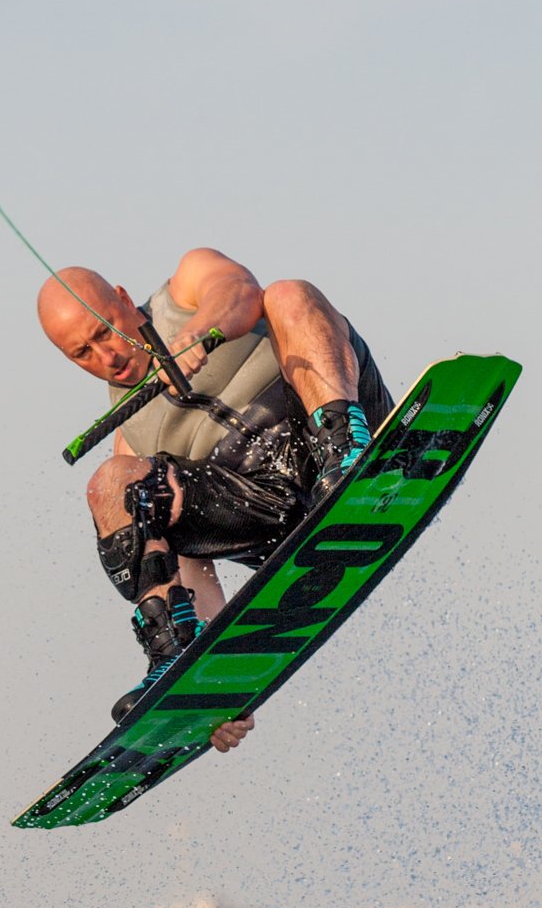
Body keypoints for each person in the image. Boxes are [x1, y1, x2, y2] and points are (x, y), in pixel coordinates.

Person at [37, 250, 393, 745]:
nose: (108, 356)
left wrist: (198, 332)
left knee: (289, 293)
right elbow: (188, 563)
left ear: (121, 299)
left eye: (104, 331)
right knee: (113, 483)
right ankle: (175, 656)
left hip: (330, 432)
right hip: (262, 511)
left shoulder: (185, 288)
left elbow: (240, 290)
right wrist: (210, 691)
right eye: (83, 354)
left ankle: (349, 455)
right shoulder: (132, 437)